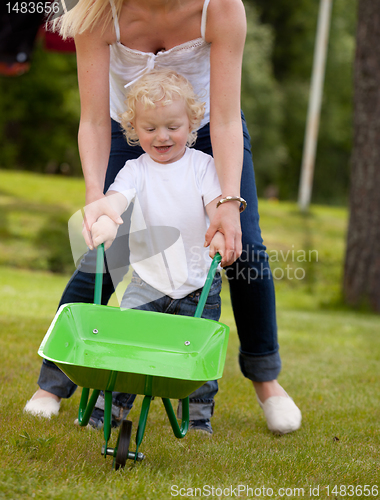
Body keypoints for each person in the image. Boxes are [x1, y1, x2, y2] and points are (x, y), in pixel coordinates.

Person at [24, 0, 302, 435]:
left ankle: (266, 378)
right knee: (106, 250)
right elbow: (95, 120)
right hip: (127, 127)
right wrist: (97, 197)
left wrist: (228, 203)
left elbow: (227, 118)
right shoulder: (97, 13)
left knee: (242, 245)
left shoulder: (221, 8)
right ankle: (55, 381)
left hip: (207, 127)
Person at [81, 68, 224, 433]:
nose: (162, 137)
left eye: (172, 127)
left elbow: (215, 208)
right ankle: (108, 410)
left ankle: (197, 418)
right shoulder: (134, 170)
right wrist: (107, 218)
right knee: (126, 349)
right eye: (150, 129)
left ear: (192, 124)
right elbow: (117, 199)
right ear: (134, 130)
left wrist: (219, 230)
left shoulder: (203, 167)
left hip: (197, 284)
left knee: (197, 353)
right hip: (147, 282)